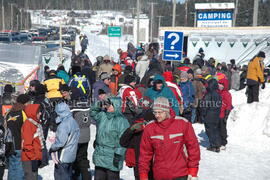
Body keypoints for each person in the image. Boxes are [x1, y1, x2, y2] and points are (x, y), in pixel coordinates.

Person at [139, 97, 200, 180]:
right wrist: (143, 175)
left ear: (166, 111)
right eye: (155, 112)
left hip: (181, 173)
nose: (157, 115)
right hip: (160, 174)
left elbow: (193, 148)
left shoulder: (183, 123)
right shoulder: (150, 128)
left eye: (160, 112)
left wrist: (193, 171)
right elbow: (145, 153)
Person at [90, 97, 130, 180]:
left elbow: (124, 140)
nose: (107, 107)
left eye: (110, 105)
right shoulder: (103, 115)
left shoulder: (121, 121)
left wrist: (118, 155)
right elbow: (92, 113)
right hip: (100, 154)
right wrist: (99, 104)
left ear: (116, 106)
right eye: (106, 105)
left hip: (113, 156)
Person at [49, 103, 80, 180]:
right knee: (68, 175)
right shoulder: (73, 121)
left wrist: (52, 148)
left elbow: (61, 142)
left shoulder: (64, 125)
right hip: (71, 154)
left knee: (61, 176)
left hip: (63, 156)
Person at [5, 94, 30, 180]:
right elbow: (27, 129)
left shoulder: (9, 112)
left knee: (12, 167)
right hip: (19, 144)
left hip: (9, 144)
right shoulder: (23, 113)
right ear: (25, 102)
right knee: (19, 168)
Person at [21, 104, 44, 180]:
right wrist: (33, 158)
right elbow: (27, 144)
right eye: (38, 112)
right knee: (31, 177)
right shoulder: (28, 124)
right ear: (33, 113)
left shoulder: (35, 123)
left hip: (34, 157)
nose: (40, 113)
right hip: (29, 159)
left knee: (34, 177)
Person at [201, 79, 222, 152]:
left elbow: (204, 105)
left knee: (210, 131)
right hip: (216, 115)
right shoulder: (218, 94)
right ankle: (217, 145)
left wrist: (203, 114)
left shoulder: (209, 94)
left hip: (209, 115)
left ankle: (213, 146)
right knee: (215, 130)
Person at [218, 78, 232, 150]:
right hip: (216, 113)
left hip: (222, 114)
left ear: (225, 86)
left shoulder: (227, 94)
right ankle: (218, 141)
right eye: (219, 84)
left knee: (222, 129)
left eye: (221, 84)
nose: (219, 85)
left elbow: (229, 105)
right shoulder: (217, 92)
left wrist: (226, 115)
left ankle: (223, 142)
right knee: (216, 128)